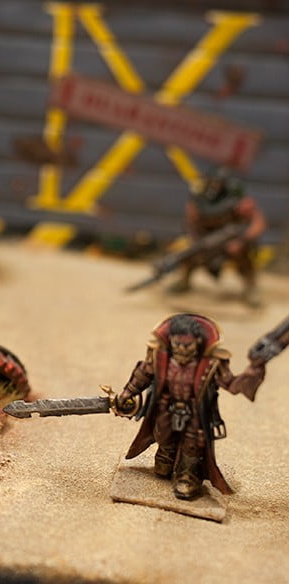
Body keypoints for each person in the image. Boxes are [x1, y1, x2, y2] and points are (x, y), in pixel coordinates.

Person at [115, 313, 265, 500]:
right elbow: (142, 374)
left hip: (194, 411)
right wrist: (127, 393)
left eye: (187, 346)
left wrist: (252, 373)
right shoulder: (160, 357)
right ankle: (166, 456)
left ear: (198, 343)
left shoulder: (211, 363)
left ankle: (188, 475)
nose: (181, 350)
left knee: (193, 444)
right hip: (165, 407)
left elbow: (231, 384)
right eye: (177, 344)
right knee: (162, 435)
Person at [168, 168, 266, 306]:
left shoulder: (238, 201)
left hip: (232, 242)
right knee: (189, 253)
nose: (215, 186)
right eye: (213, 183)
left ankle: (251, 289)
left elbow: (258, 223)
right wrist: (195, 239)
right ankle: (184, 281)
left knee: (242, 256)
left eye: (219, 183)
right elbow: (190, 222)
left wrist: (242, 240)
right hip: (206, 240)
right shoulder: (199, 199)